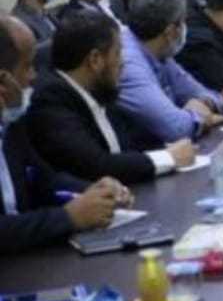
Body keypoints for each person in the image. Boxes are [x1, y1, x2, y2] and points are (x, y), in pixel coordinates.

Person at [0, 14, 129, 252]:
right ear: (2, 82)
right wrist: (69, 217)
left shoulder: (10, 125)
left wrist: (93, 191)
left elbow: (44, 179)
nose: (34, 76)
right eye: (27, 66)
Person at [28, 12, 194, 185]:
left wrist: (166, 149)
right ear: (95, 60)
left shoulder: (97, 88)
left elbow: (133, 140)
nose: (122, 62)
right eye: (118, 53)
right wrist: (167, 158)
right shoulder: (51, 101)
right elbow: (97, 166)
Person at [116, 0, 223, 149]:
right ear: (170, 32)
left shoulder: (159, 51)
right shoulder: (128, 63)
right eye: (183, 22)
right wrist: (200, 115)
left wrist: (203, 103)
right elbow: (176, 129)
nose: (185, 28)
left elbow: (214, 96)